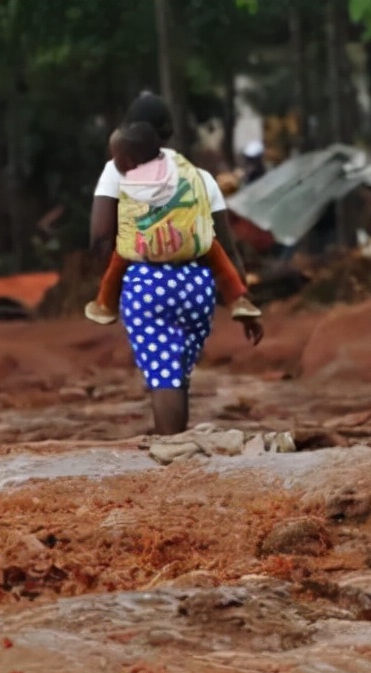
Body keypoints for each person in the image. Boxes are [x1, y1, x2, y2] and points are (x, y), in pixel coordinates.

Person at [91, 93, 262, 437]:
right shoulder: (200, 177)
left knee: (163, 376)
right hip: (196, 286)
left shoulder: (117, 171)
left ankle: (172, 451)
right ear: (167, 134)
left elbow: (99, 235)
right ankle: (179, 446)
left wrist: (115, 275)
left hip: (146, 283)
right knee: (176, 373)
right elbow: (226, 248)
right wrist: (241, 301)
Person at [85, 121, 261, 327]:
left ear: (128, 160)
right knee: (215, 250)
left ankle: (106, 304)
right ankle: (237, 300)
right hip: (184, 239)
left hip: (146, 245)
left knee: (119, 259)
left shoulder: (127, 181)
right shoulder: (178, 168)